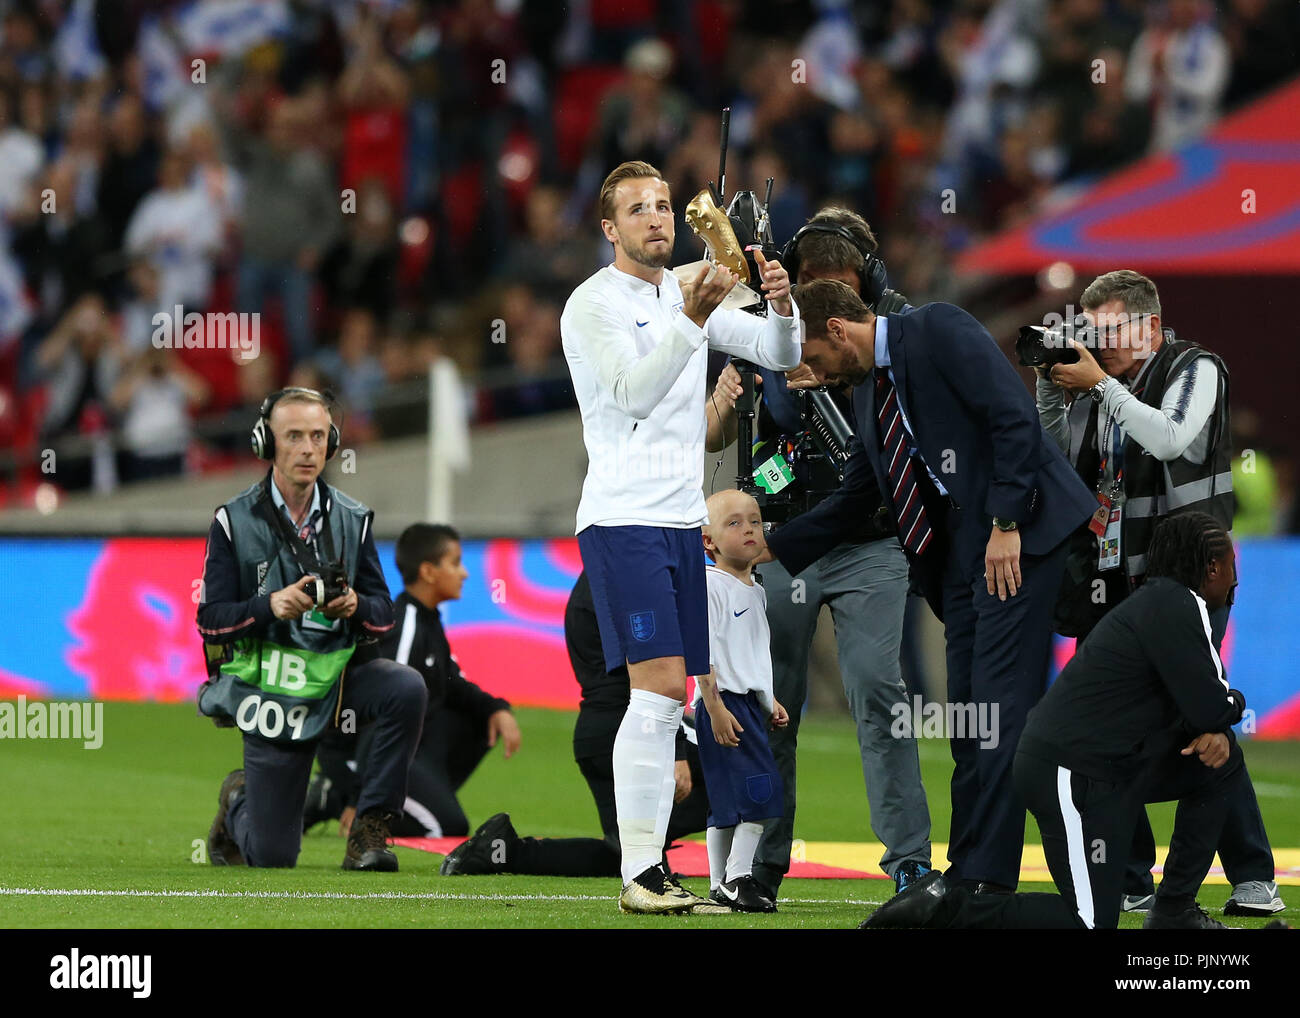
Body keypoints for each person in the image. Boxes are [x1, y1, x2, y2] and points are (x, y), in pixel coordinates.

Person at [764, 279, 1097, 894]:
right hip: (962, 555)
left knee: (996, 716)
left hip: (1017, 539)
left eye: (811, 356)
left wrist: (1006, 520)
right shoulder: (867, 391)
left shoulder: (938, 327)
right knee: (972, 723)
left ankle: (990, 882)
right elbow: (863, 491)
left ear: (838, 329)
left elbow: (1013, 417)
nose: (811, 373)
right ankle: (969, 870)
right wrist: (773, 545)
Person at [560, 159, 802, 913]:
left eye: (664, 206)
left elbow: (782, 356)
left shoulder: (683, 290)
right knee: (660, 691)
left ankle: (648, 869)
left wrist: (781, 305)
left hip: (680, 521)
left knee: (669, 701)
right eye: (638, 209)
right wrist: (694, 317)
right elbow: (633, 394)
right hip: (623, 516)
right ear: (610, 228)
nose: (657, 219)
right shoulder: (592, 305)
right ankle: (639, 872)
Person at [861, 512, 1255, 930]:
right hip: (1069, 771)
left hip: (1108, 771)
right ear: (1212, 567)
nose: (1235, 578)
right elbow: (1212, 705)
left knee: (1221, 760)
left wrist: (1216, 726)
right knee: (1088, 924)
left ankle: (1174, 911)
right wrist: (1231, 707)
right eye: (1231, 565)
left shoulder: (1159, 602)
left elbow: (1198, 706)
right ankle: (939, 911)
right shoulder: (1181, 605)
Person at [705, 207, 932, 900]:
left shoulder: (901, 331)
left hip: (871, 542)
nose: (820, 293)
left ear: (866, 280)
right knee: (766, 699)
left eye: (836, 281)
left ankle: (909, 865)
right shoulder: (762, 330)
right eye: (807, 280)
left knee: (879, 692)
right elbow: (738, 446)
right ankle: (758, 867)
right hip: (778, 541)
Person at [1040, 268, 1283, 918]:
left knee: (1203, 718)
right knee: (1108, 728)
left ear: (1150, 325)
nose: (1101, 343)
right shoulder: (1098, 387)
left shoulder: (1196, 366)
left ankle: (1253, 875)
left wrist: (1102, 386)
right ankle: (1130, 874)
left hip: (1187, 581)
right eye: (1092, 331)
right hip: (1112, 578)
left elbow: (1170, 438)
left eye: (1112, 329)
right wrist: (1052, 392)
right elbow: (1065, 463)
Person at [198, 387, 427, 871]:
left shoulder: (353, 518)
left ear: (332, 443)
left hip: (337, 679)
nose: (308, 449)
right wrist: (269, 607)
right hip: (269, 690)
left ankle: (370, 833)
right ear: (267, 443)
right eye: (294, 436)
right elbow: (211, 621)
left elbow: (384, 613)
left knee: (404, 687)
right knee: (272, 857)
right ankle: (238, 798)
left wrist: (354, 605)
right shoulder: (233, 520)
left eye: (318, 436)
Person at [439, 571, 714, 886]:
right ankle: (743, 872)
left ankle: (505, 851)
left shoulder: (592, 587)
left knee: (623, 852)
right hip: (636, 724)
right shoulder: (631, 582)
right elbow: (656, 673)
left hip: (595, 732)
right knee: (739, 772)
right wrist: (676, 748)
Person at [303, 523, 521, 839]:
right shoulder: (403, 625)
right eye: (456, 562)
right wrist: (359, 795)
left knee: (475, 719)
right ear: (429, 572)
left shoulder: (428, 621)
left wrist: (497, 709)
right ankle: (344, 798)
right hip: (361, 753)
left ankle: (416, 794)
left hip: (405, 750)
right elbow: (379, 713)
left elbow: (454, 683)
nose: (465, 573)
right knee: (446, 828)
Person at [694, 489, 789, 913]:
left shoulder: (756, 589)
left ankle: (718, 884)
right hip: (724, 706)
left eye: (754, 520)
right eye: (734, 523)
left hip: (746, 705)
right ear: (708, 541)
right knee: (764, 794)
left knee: (728, 804)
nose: (749, 528)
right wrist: (714, 707)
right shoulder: (711, 588)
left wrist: (769, 701)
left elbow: (752, 653)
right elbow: (702, 653)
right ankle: (738, 878)